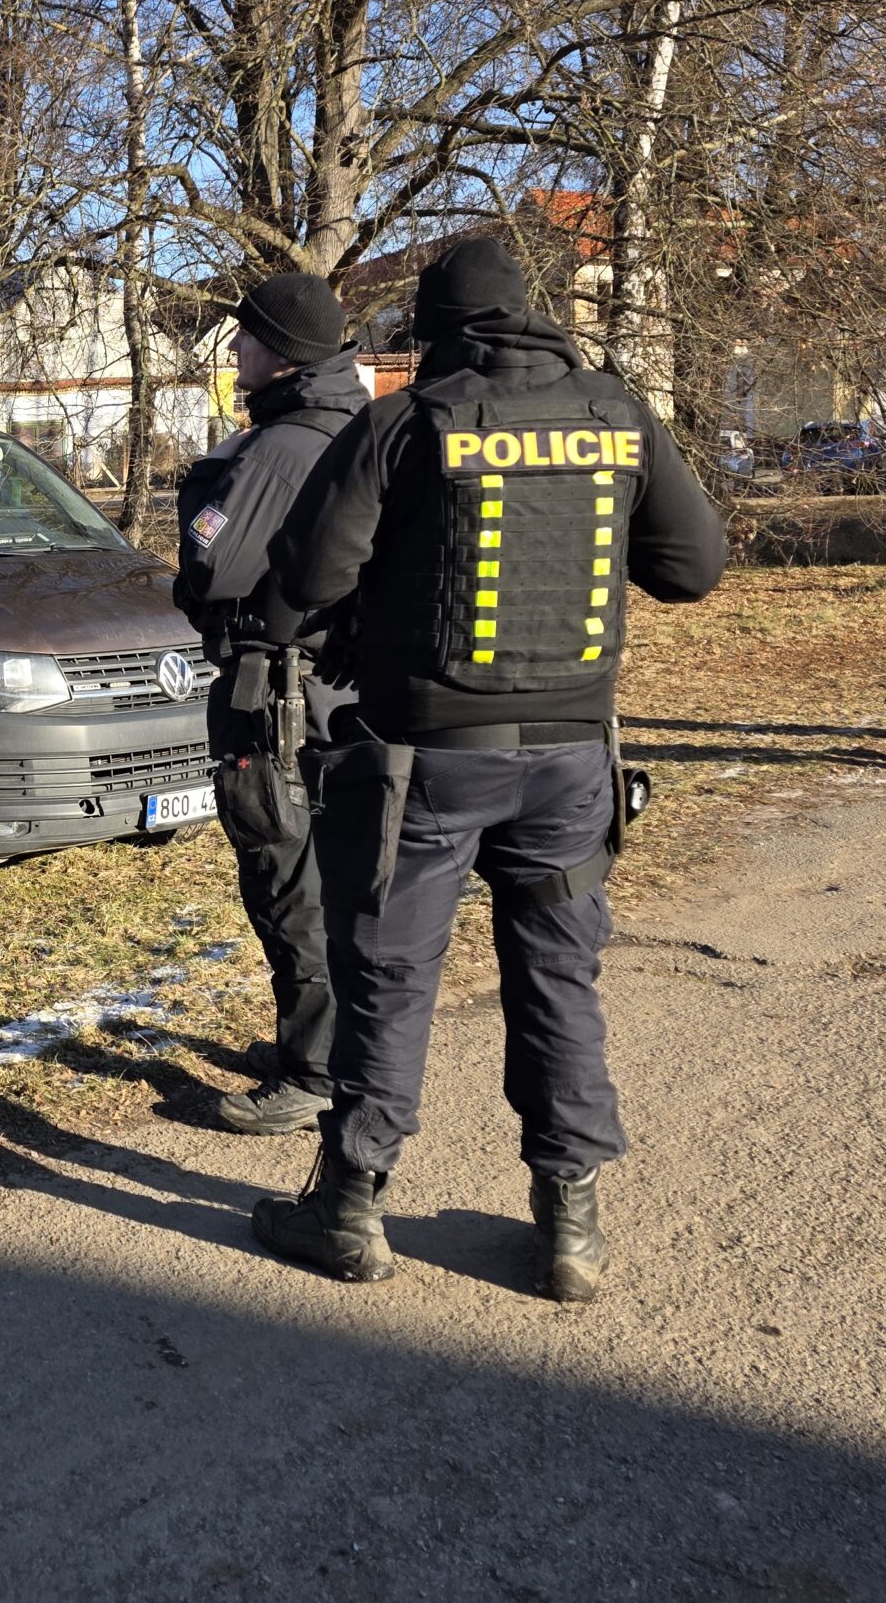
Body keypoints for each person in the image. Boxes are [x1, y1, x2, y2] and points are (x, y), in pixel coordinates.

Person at [252, 237, 727, 1299]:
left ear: (436, 331)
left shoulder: (408, 423)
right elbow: (691, 570)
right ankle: (570, 1227)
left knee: (390, 981)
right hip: (570, 763)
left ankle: (349, 1209)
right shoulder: (616, 413)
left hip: (425, 763)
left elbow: (307, 580)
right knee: (559, 979)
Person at [173, 272, 369, 1136]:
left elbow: (210, 564)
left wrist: (206, 488)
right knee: (329, 876)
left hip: (281, 698)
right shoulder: (360, 425)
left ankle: (315, 1071)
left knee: (285, 879)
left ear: (282, 355)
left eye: (246, 337)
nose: (235, 349)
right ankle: (323, 1045)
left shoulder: (277, 449)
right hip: (344, 692)